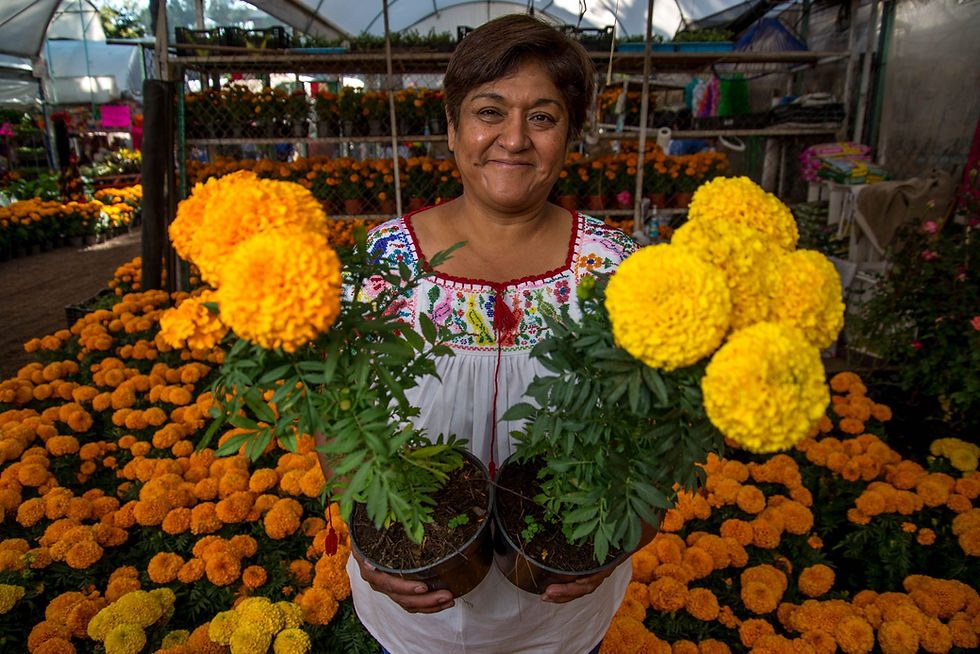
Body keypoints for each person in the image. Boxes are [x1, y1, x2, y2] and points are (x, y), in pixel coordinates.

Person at [346, 14, 648, 653]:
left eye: (542, 117)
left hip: (561, 613)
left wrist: (633, 528)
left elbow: (657, 426)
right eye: (489, 112)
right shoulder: (382, 264)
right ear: (452, 130)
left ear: (570, 135)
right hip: (416, 609)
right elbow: (340, 412)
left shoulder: (620, 269)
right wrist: (360, 532)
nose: (514, 139)